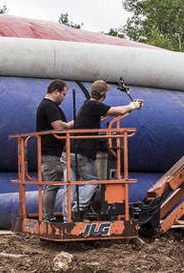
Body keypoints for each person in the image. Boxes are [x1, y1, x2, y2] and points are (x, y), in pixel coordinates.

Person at [64, 80, 143, 219]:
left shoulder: (86, 105)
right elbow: (118, 111)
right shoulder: (95, 105)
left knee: (69, 186)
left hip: (68, 152)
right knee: (93, 181)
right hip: (81, 153)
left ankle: (67, 219)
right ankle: (78, 208)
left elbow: (77, 122)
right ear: (104, 94)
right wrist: (133, 105)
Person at [35, 79, 73, 222]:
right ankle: (47, 218)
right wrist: (72, 124)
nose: (64, 97)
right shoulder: (49, 106)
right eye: (63, 94)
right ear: (56, 92)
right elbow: (59, 127)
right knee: (52, 184)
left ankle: (48, 216)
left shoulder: (47, 106)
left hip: (52, 151)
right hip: (50, 152)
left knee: (52, 184)